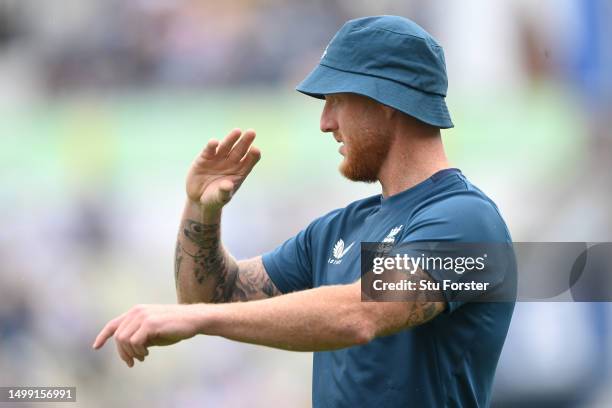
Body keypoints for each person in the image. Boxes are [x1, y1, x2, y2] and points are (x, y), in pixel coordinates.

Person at [93, 15, 515, 407]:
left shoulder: (467, 221)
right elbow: (211, 295)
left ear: (387, 99)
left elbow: (362, 314)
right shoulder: (339, 229)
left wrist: (202, 319)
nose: (325, 122)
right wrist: (202, 210)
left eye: (336, 99)